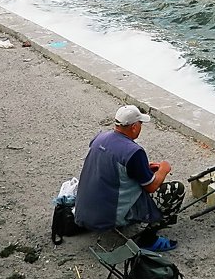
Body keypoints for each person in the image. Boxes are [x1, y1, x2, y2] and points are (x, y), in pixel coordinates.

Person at [74, 104, 185, 251]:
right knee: (176, 190)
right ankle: (149, 240)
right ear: (133, 127)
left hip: (84, 212)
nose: (141, 127)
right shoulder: (134, 152)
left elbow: (111, 166)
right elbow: (151, 187)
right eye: (140, 124)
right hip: (110, 216)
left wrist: (143, 168)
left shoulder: (99, 138)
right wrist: (164, 169)